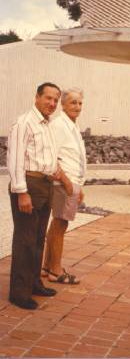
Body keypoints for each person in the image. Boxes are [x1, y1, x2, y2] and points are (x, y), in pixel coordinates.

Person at [7, 82, 62, 310]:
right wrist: (22, 192)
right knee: (25, 240)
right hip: (29, 185)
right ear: (37, 97)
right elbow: (15, 159)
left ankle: (34, 283)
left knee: (39, 239)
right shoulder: (24, 123)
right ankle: (19, 293)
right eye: (48, 98)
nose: (52, 103)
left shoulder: (47, 125)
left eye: (55, 100)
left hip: (45, 185)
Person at [42, 88, 86, 285]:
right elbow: (52, 157)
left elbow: (72, 156)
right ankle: (56, 271)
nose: (77, 106)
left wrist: (79, 185)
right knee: (61, 224)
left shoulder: (71, 125)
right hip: (62, 183)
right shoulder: (59, 125)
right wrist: (68, 183)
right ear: (64, 104)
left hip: (71, 182)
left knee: (57, 224)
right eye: (73, 103)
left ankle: (46, 266)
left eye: (79, 103)